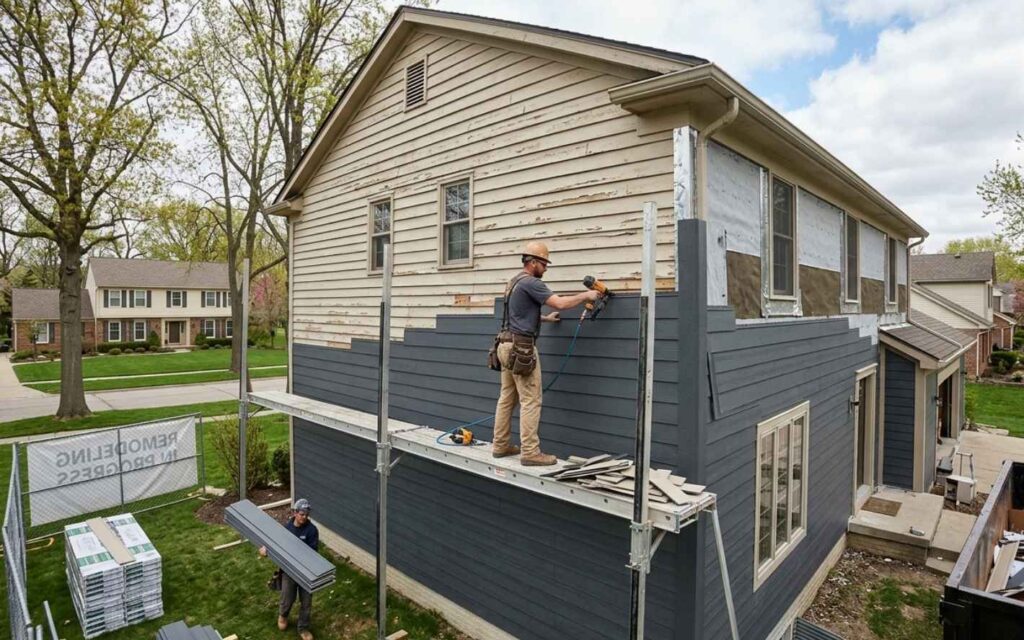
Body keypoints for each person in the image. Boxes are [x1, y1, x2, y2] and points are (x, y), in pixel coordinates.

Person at [492, 241, 601, 466]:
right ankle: (530, 452)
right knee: (531, 399)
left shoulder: (513, 282)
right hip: (521, 348)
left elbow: (518, 315)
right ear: (532, 263)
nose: (546, 268)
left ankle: (500, 445)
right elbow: (559, 303)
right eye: (543, 263)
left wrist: (545, 318)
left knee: (507, 398)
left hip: (503, 345)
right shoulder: (532, 283)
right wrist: (586, 296)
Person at [260, 498, 319, 640]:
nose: (304, 517)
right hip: (289, 571)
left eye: (306, 514)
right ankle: (283, 616)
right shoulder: (287, 528)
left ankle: (303, 628)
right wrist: (265, 550)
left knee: (306, 602)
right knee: (287, 597)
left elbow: (312, 553)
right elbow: (277, 544)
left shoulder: (311, 530)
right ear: (295, 513)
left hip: (306, 571)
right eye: (302, 514)